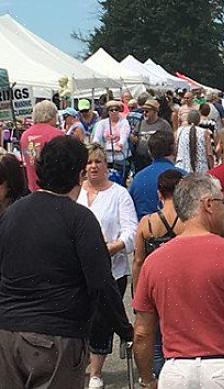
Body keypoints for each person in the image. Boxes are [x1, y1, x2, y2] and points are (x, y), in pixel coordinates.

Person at [0, 136, 133, 388]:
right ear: (79, 174)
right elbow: (102, 284)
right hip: (56, 336)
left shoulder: (12, 213)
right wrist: (124, 329)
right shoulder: (80, 219)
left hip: (7, 334)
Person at [132, 174, 224, 389]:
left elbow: (142, 332)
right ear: (208, 205)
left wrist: (147, 379)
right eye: (222, 203)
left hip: (177, 372)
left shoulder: (154, 261)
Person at [77, 143, 138, 388]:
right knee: (81, 319)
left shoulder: (119, 194)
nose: (93, 166)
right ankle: (78, 364)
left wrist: (112, 247)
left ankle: (96, 372)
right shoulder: (76, 193)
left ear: (106, 165)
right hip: (77, 272)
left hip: (111, 270)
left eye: (98, 162)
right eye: (89, 162)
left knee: (102, 320)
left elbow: (131, 231)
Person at [133, 169, 185, 377]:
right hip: (182, 289)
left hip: (155, 289)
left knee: (155, 347)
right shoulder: (188, 222)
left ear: (159, 193)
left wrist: (138, 294)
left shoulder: (147, 223)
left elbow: (138, 261)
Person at [130, 131, 185, 221]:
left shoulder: (138, 179)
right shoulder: (183, 177)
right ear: (174, 148)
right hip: (177, 230)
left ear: (149, 152)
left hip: (146, 230)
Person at [19, 100, 63, 191]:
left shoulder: (25, 135)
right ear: (52, 115)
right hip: (55, 187)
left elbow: (28, 160)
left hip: (33, 187)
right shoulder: (58, 134)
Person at [92, 100, 132, 184]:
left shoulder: (124, 122)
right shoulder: (102, 123)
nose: (114, 111)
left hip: (121, 158)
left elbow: (124, 135)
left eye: (116, 109)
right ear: (108, 112)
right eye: (111, 110)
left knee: (120, 183)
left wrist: (120, 144)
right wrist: (95, 145)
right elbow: (97, 137)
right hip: (106, 158)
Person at [133, 98, 173, 173]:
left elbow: (170, 141)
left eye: (147, 111)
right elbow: (134, 134)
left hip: (156, 160)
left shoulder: (164, 124)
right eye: (143, 111)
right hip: (141, 160)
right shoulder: (140, 123)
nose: (144, 113)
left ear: (155, 112)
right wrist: (133, 138)